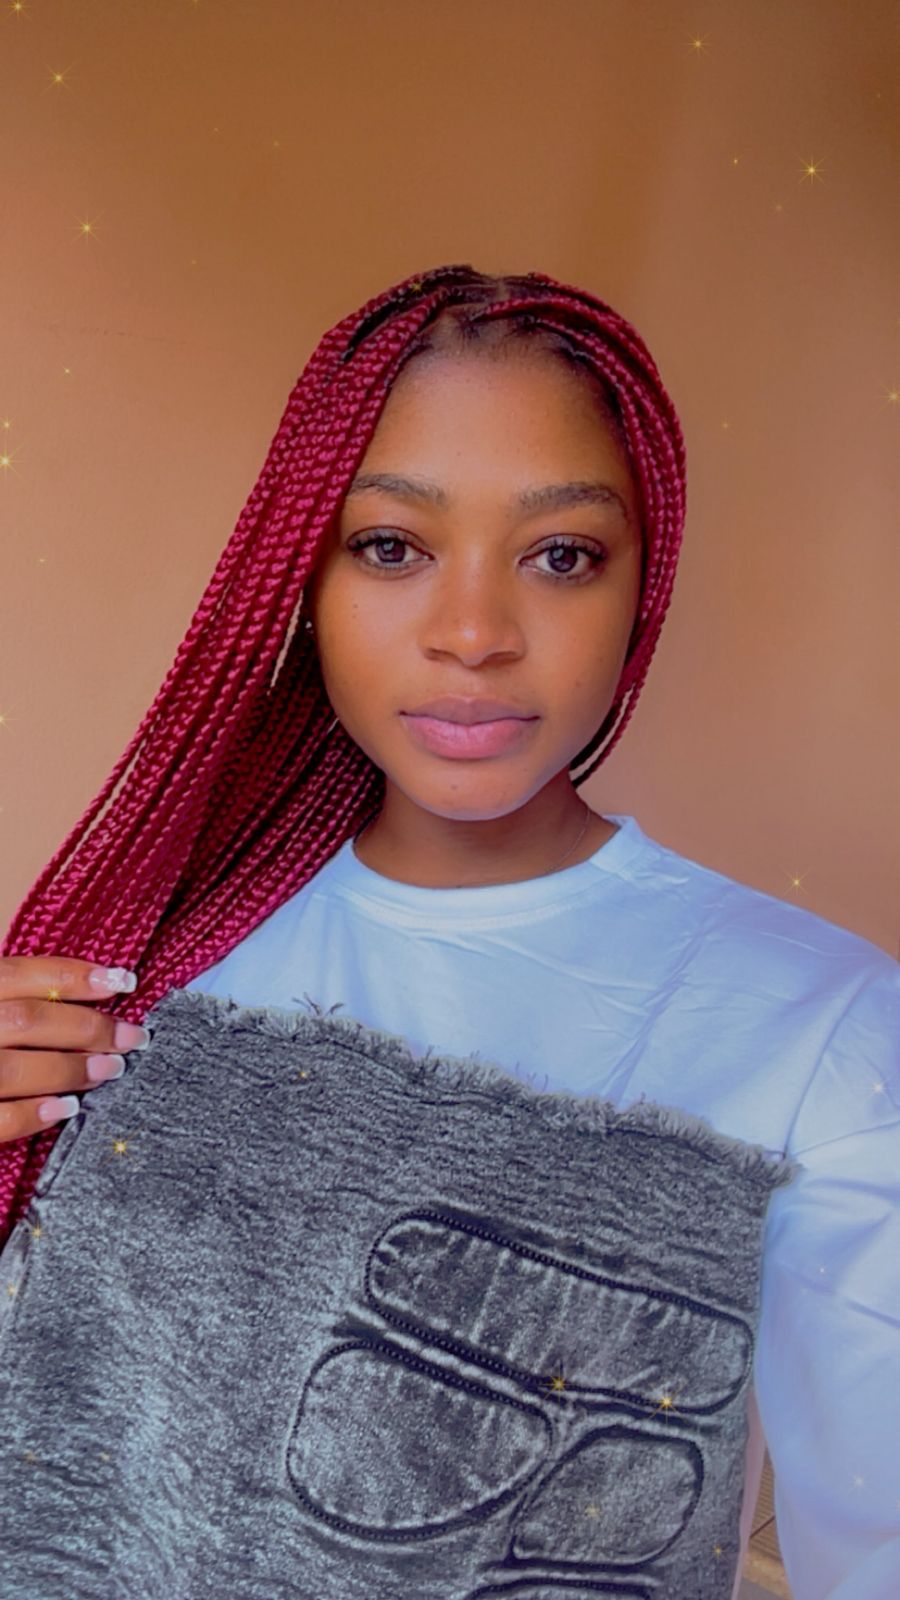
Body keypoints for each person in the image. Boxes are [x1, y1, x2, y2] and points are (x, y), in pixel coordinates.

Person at [0, 266, 897, 1600]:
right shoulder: (140, 945)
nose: (473, 634)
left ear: (642, 588)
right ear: (302, 577)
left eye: (561, 556)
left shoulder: (819, 1028)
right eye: (391, 547)